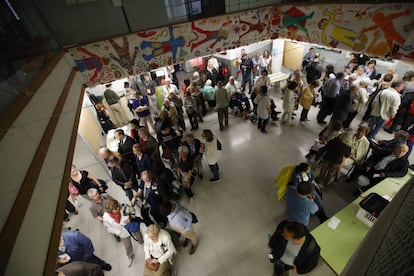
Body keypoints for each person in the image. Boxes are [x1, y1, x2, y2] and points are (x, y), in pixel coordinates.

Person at [103, 198, 143, 267]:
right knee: (127, 246)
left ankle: (141, 242)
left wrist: (130, 218)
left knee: (139, 236)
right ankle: (130, 256)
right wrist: (117, 232)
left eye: (117, 206)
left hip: (132, 226)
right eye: (115, 209)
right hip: (122, 232)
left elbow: (133, 211)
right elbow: (109, 228)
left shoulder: (124, 206)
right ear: (110, 211)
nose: (118, 208)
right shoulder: (106, 217)